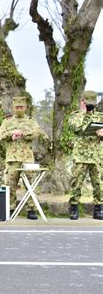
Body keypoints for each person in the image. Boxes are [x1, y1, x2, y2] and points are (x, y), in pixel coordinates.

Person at [0, 96, 43, 220]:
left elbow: (36, 133)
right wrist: (11, 134)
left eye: (21, 107)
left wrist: (23, 133)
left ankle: (31, 210)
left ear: (25, 107)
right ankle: (10, 208)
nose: (19, 109)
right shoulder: (7, 122)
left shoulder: (31, 121)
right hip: (12, 158)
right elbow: (0, 135)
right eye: (17, 107)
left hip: (27, 158)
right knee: (10, 185)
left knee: (30, 185)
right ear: (13, 108)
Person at [68, 90, 103, 220]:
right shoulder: (75, 115)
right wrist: (83, 112)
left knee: (99, 183)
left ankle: (99, 209)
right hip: (80, 155)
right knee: (76, 183)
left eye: (92, 103)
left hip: (96, 155)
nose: (90, 105)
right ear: (83, 101)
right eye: (88, 102)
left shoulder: (100, 116)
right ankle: (74, 207)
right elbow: (76, 128)